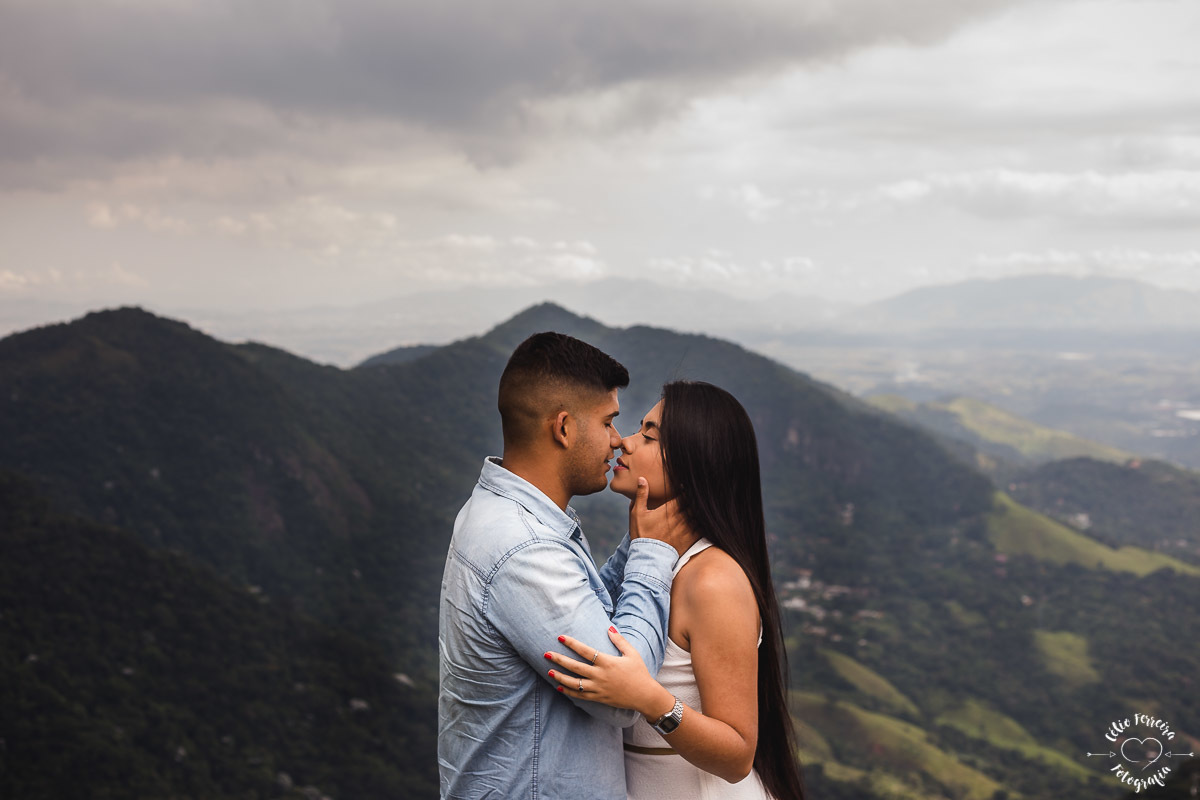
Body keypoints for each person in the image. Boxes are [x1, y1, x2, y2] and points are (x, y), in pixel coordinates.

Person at [438, 331, 690, 799]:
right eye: (609, 422)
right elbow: (621, 687)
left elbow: (594, 611)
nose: (618, 441)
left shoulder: (513, 518)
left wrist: (639, 542)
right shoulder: (523, 547)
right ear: (564, 428)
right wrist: (653, 555)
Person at [545, 381, 807, 799]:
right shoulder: (654, 561)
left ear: (695, 464)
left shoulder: (712, 580)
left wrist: (650, 699)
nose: (625, 444)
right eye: (638, 429)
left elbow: (738, 754)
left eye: (649, 436)